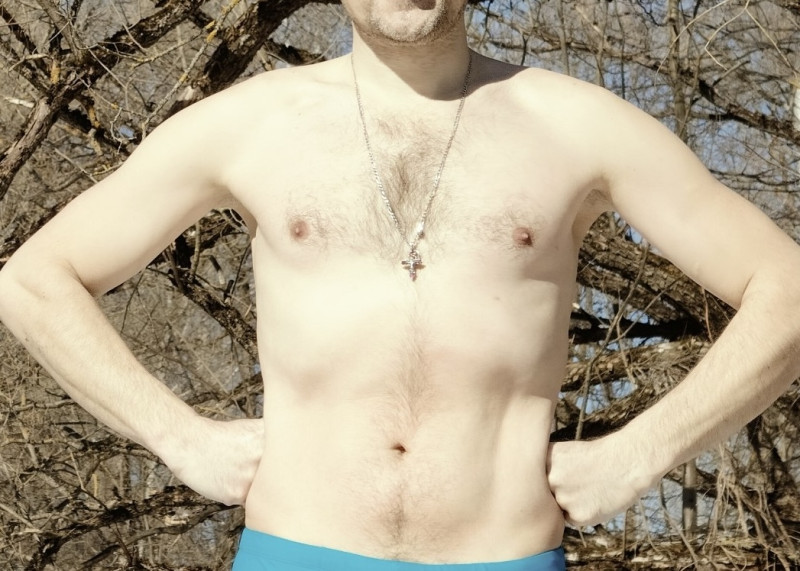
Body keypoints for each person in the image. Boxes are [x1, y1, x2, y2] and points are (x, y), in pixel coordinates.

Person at [1, 0, 799, 569]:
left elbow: (787, 289)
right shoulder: (248, 124)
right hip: (296, 551)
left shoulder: (577, 126)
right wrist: (180, 437)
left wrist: (641, 453)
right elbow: (36, 280)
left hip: (504, 555)